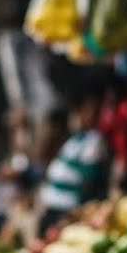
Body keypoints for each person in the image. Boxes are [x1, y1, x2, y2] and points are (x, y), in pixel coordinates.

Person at [37, 81, 109, 233]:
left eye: (89, 110)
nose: (82, 115)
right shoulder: (74, 140)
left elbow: (87, 181)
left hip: (67, 213)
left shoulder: (94, 141)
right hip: (52, 209)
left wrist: (77, 212)